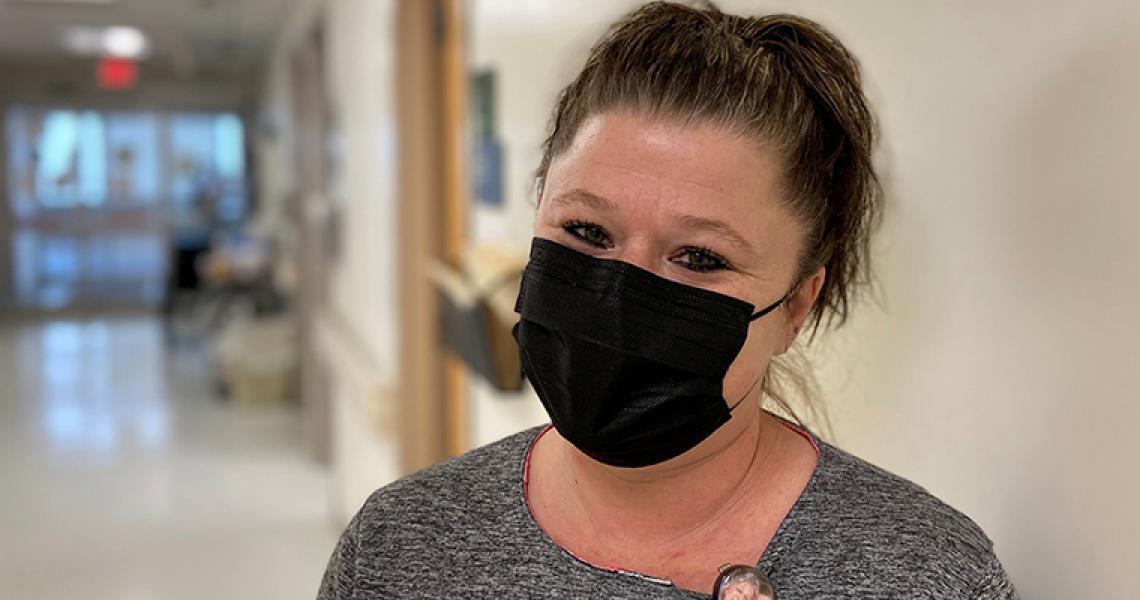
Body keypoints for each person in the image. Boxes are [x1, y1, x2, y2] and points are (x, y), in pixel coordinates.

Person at [318, 2, 1019, 598]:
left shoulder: (926, 574)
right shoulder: (400, 548)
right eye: (586, 231)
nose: (618, 296)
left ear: (798, 307)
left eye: (701, 258)